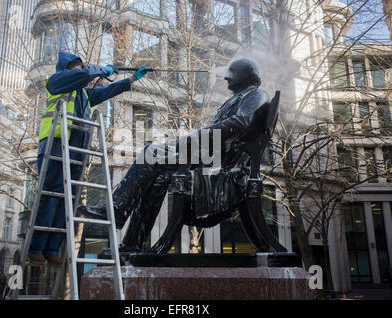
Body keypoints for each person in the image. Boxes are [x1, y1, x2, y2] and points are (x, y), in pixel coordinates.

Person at [79, 58, 281, 252]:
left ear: (246, 75)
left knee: (150, 153)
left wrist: (198, 136)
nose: (227, 78)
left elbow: (240, 123)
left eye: (232, 73)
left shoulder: (256, 95)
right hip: (210, 158)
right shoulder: (239, 98)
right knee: (156, 175)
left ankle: (115, 209)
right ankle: (132, 242)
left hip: (222, 165)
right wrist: (183, 143)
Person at [28, 51, 148, 267]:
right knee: (51, 193)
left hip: (75, 145)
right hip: (56, 141)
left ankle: (52, 248)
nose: (81, 71)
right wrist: (103, 69)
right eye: (78, 67)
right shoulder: (57, 81)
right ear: (68, 67)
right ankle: (36, 248)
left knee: (67, 197)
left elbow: (105, 91)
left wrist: (130, 80)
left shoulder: (81, 92)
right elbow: (84, 76)